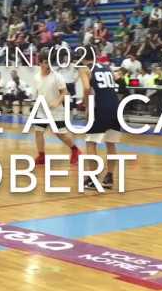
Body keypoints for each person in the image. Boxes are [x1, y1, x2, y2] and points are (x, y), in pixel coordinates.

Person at [78, 48, 120, 190]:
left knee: (91, 143)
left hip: (99, 109)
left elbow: (86, 88)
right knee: (111, 143)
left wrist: (85, 104)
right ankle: (109, 177)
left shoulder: (85, 68)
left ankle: (92, 178)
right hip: (115, 108)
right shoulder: (107, 67)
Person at [32, 52, 80, 165]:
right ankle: (41, 156)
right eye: (45, 62)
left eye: (49, 62)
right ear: (40, 63)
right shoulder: (36, 77)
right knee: (38, 132)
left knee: (60, 134)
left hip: (56, 110)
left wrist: (57, 102)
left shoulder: (57, 76)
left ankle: (75, 150)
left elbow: (65, 92)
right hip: (41, 110)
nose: (48, 64)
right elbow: (38, 92)